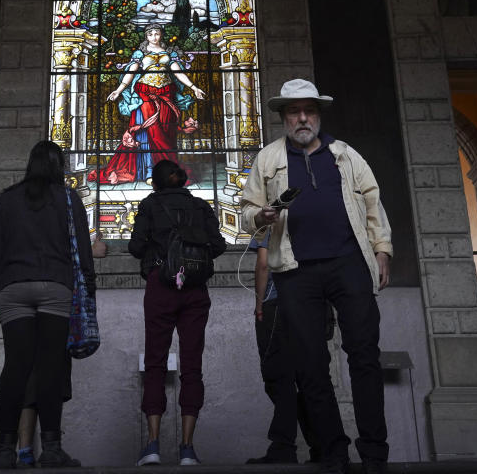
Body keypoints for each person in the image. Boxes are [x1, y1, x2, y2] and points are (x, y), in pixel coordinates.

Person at [240, 79, 393, 474]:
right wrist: (261, 216)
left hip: (350, 264)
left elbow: (373, 202)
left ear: (319, 115)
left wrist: (382, 251)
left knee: (364, 355)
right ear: (283, 118)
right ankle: (333, 450)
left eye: (309, 111)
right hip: (295, 271)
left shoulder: (345, 155)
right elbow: (247, 211)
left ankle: (374, 451)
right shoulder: (268, 159)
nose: (302, 118)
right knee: (310, 363)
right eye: (294, 112)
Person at [0, 140, 107, 469]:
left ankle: (5, 451)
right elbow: (83, 250)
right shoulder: (68, 199)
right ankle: (51, 449)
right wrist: (89, 294)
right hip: (55, 287)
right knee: (51, 367)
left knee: (15, 367)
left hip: (13, 288)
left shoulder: (9, 199)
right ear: (59, 165)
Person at [128, 159, 227, 466]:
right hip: (195, 289)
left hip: (161, 286)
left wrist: (161, 252)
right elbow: (219, 245)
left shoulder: (149, 205)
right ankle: (187, 448)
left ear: (155, 183)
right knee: (192, 365)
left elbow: (134, 247)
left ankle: (153, 445)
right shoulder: (200, 207)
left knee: (155, 362)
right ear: (183, 181)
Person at [88, 23, 204, 185]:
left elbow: (178, 72)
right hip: (145, 95)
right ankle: (149, 172)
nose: (154, 37)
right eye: (151, 34)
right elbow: (131, 72)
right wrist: (119, 90)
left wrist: (194, 87)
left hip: (166, 95)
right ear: (146, 36)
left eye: (157, 34)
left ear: (161, 35)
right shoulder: (140, 53)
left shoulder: (169, 53)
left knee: (166, 133)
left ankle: (167, 170)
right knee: (148, 133)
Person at [245, 231, 325, 465]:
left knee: (278, 377)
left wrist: (259, 304)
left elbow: (263, 264)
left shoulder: (269, 221)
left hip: (276, 303)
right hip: (310, 306)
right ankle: (321, 446)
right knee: (308, 377)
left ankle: (283, 447)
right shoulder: (312, 219)